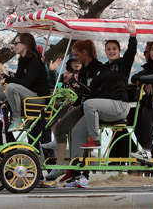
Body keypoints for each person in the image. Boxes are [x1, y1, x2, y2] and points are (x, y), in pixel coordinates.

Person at [51, 21, 138, 187]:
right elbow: (91, 89)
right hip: (103, 106)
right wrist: (78, 87)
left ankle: (95, 139)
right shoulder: (103, 69)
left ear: (119, 51)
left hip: (119, 106)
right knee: (77, 131)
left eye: (114, 49)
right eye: (108, 49)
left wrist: (132, 35)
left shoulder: (122, 64)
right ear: (105, 52)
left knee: (90, 104)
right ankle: (79, 175)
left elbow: (132, 52)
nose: (111, 51)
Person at [44, 39, 103, 181]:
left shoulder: (98, 68)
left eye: (77, 55)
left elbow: (93, 91)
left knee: (77, 131)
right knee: (58, 120)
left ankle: (78, 171)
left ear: (84, 53)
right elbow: (82, 92)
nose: (76, 59)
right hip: (82, 105)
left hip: (92, 108)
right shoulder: (81, 71)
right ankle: (62, 164)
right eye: (74, 57)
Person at [0, 33, 49, 131]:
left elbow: (27, 82)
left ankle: (17, 119)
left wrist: (8, 79)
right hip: (23, 93)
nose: (14, 46)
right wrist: (5, 76)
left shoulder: (35, 61)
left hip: (38, 97)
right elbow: (19, 79)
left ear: (25, 44)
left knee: (11, 87)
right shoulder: (22, 60)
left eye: (16, 43)